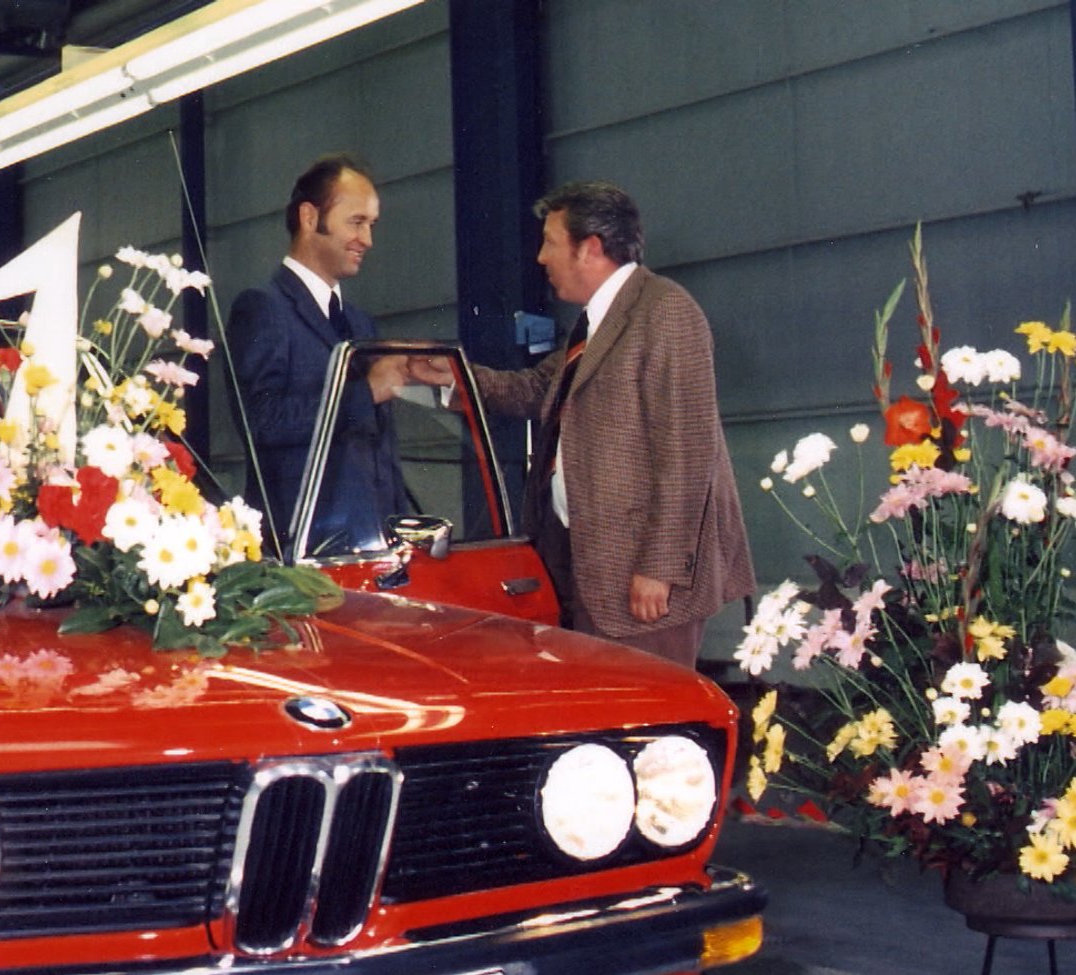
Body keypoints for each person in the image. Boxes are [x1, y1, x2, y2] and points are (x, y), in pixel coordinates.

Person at [439, 180, 753, 667]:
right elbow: (534, 390)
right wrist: (447, 376)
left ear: (590, 248)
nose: (541, 258)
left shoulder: (666, 312)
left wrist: (660, 570)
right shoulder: (594, 323)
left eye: (549, 242)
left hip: (643, 582)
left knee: (647, 727)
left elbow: (689, 454)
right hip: (588, 565)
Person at [229, 154, 410, 552]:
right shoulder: (262, 308)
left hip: (375, 548)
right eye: (356, 222)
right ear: (310, 218)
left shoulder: (362, 325)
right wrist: (365, 393)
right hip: (304, 555)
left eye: (371, 225)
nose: (368, 240)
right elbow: (261, 420)